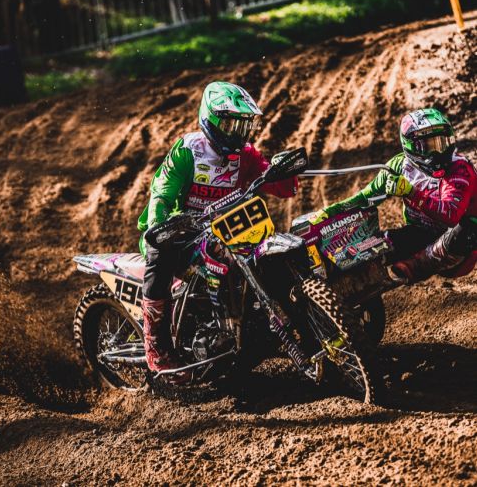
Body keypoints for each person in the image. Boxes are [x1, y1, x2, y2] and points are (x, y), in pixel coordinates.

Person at [137, 81, 298, 381]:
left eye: (243, 125)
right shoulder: (188, 151)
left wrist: (285, 174)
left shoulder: (245, 155)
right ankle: (157, 346)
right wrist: (160, 224)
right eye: (229, 124)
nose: (237, 133)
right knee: (160, 256)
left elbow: (274, 181)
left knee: (261, 254)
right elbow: (161, 194)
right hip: (176, 231)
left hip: (224, 231)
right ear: (210, 120)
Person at [312, 107, 477, 283]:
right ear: (410, 146)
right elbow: (364, 199)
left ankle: (415, 266)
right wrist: (329, 212)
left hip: (463, 249)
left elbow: (450, 216)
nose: (438, 153)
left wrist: (411, 192)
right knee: (376, 245)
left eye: (442, 143)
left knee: (469, 228)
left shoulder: (460, 169)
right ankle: (339, 273)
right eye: (428, 146)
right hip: (421, 234)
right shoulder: (398, 166)